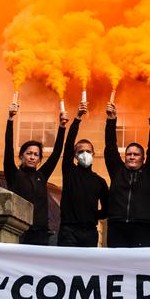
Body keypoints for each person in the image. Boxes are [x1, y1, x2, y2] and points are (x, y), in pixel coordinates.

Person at [104, 98, 150, 247]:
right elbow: (111, 147)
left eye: (136, 154)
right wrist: (111, 121)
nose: (132, 157)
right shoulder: (117, 170)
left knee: (142, 267)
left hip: (144, 226)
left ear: (143, 158)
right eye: (129, 154)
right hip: (117, 226)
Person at [3, 101, 68, 245]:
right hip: (20, 230)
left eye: (36, 155)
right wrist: (10, 119)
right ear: (21, 156)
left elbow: (56, 154)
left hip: (41, 232)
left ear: (39, 159)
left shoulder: (41, 175)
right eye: (29, 153)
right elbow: (8, 148)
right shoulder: (14, 174)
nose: (32, 157)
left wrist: (62, 127)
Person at [58, 100, 109, 247]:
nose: (84, 154)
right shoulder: (69, 171)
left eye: (88, 151)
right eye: (80, 152)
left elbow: (107, 209)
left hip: (89, 232)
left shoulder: (100, 182)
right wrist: (77, 119)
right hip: (68, 230)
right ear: (75, 155)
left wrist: (93, 215)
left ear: (93, 153)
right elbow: (68, 145)